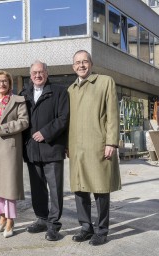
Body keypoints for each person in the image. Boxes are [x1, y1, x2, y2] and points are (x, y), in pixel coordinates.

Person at [68, 50, 121, 246]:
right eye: (77, 63)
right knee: (80, 189)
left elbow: (113, 114)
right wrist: (68, 146)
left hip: (98, 145)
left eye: (85, 61)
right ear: (73, 67)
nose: (81, 65)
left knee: (100, 189)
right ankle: (85, 227)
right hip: (77, 147)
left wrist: (111, 142)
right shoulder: (71, 89)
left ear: (91, 63)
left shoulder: (105, 82)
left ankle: (102, 230)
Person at [19, 61, 69, 241]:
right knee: (37, 189)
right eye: (34, 73)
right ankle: (42, 218)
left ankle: (54, 225)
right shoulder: (23, 94)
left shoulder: (59, 91)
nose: (38, 75)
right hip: (32, 150)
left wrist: (45, 133)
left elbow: (63, 118)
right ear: (30, 75)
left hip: (52, 148)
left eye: (41, 72)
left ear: (47, 73)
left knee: (55, 189)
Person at [0, 70, 29, 238]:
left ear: (9, 84)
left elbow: (24, 122)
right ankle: (1, 219)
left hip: (9, 148)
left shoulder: (18, 101)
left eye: (5, 81)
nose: (1, 84)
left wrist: (3, 128)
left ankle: (10, 221)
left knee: (8, 186)